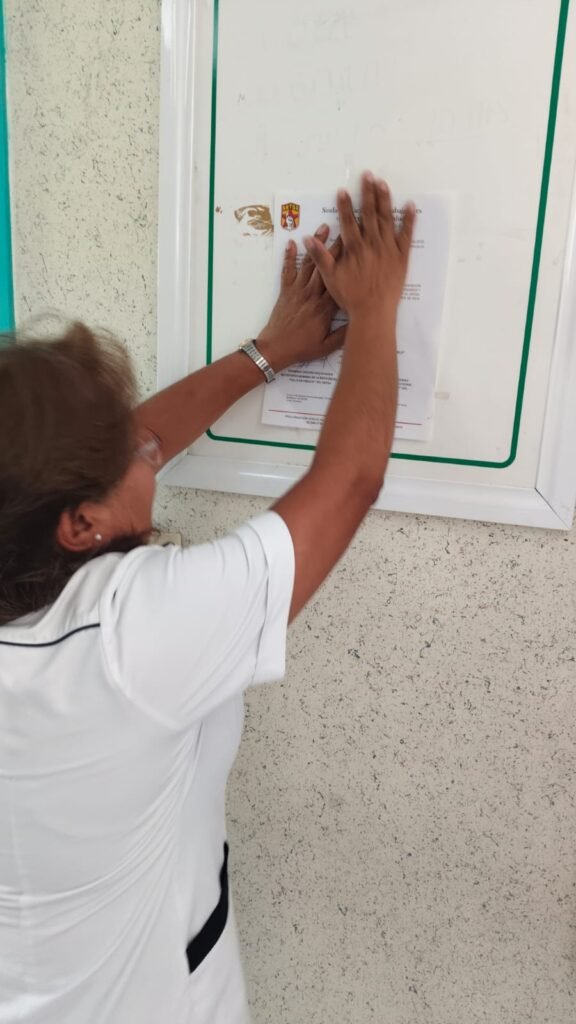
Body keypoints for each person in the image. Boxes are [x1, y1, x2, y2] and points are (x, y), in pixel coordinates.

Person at [0, 173, 414, 1024]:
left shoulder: (31, 545)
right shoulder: (124, 640)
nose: (149, 449)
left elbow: (127, 445)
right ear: (80, 525)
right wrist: (375, 312)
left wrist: (267, 354)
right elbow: (350, 480)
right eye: (128, 455)